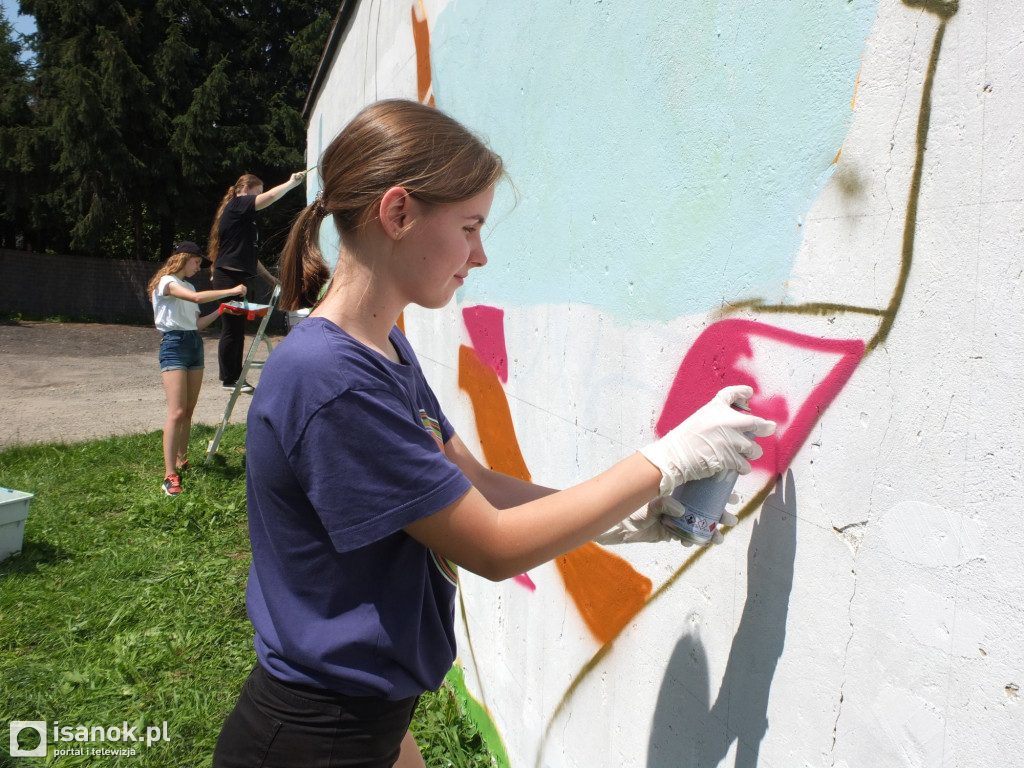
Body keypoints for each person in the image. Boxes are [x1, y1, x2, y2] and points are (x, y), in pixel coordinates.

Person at [211, 99, 776, 768]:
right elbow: (493, 547)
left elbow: (476, 485)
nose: (480, 254)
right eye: (470, 226)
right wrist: (665, 461)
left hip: (366, 725)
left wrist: (624, 518)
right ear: (398, 214)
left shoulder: (382, 347)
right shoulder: (330, 379)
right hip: (314, 738)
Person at [148, 241, 247, 496]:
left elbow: (198, 323)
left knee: (189, 410)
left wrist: (222, 309)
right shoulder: (167, 282)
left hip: (193, 343)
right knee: (177, 411)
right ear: (183, 258)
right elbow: (194, 298)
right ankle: (170, 475)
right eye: (196, 262)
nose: (198, 267)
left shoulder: (190, 285)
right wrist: (231, 290)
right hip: (174, 344)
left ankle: (182, 460)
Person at [207, 170, 307, 393]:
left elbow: (251, 257)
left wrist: (270, 278)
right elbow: (269, 198)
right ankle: (229, 379)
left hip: (240, 277)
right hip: (229, 277)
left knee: (238, 329)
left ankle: (236, 377)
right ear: (245, 189)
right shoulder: (237, 204)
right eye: (257, 192)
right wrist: (291, 184)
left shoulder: (246, 219)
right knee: (231, 329)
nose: (259, 197)